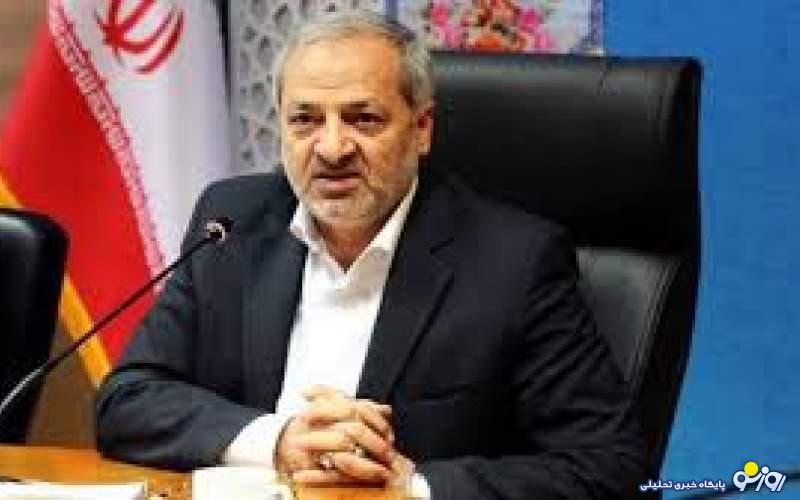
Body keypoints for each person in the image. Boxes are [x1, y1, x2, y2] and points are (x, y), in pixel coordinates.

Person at [96, 10, 644, 499]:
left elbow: (610, 466)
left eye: (363, 119)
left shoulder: (514, 262)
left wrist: (415, 488)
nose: (332, 148)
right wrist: (279, 440)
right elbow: (128, 400)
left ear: (421, 128)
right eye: (305, 120)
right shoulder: (231, 223)